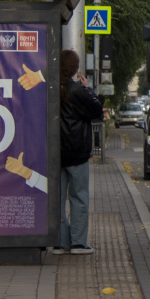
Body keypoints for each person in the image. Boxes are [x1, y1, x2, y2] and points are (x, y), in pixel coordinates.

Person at [58, 49, 103, 254]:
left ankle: (59, 242)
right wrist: (88, 89)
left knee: (57, 200)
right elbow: (97, 111)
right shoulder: (77, 90)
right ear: (76, 69)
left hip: (55, 153)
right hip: (76, 152)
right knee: (79, 198)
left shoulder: (50, 88)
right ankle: (77, 243)